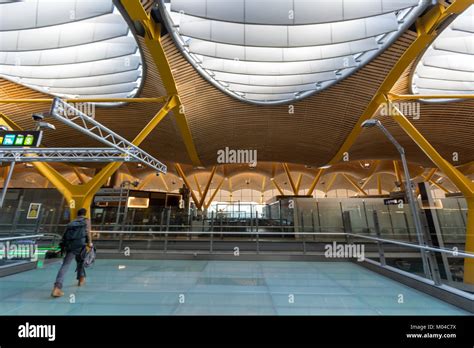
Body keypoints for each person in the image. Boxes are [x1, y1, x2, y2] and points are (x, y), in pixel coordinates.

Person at [51, 208, 93, 298]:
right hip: (81, 245)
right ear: (85, 214)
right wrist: (90, 242)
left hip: (70, 246)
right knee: (81, 261)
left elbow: (65, 235)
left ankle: (57, 286)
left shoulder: (72, 222)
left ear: (77, 214)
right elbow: (88, 232)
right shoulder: (86, 221)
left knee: (65, 265)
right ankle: (81, 279)